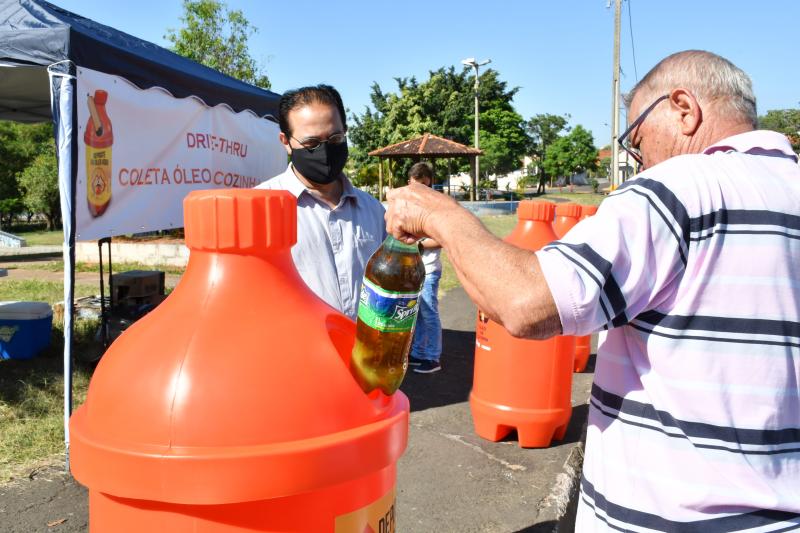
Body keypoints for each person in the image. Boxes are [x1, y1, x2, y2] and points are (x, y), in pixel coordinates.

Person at [384, 51, 800, 531]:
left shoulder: (681, 189)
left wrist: (440, 215)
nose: (636, 157)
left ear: (684, 109)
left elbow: (527, 303)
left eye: (636, 136)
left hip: (677, 518)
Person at [256, 85, 386, 320]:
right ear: (285, 141)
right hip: (295, 353)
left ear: (345, 131)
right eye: (311, 144)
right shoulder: (259, 207)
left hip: (363, 352)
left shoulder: (374, 210)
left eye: (335, 138)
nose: (325, 151)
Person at [406, 162, 443, 374]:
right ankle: (419, 353)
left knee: (429, 313)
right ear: (409, 182)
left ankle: (433, 357)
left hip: (429, 270)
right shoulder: (408, 206)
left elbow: (441, 239)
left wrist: (418, 244)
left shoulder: (436, 207)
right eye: (416, 185)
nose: (420, 191)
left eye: (425, 186)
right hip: (414, 270)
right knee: (418, 313)